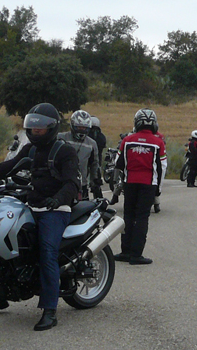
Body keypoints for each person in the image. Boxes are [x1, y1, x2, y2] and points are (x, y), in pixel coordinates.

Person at [0, 103, 80, 331]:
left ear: (51, 127)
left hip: (55, 210)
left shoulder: (65, 151)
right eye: (32, 127)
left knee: (47, 252)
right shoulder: (30, 150)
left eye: (40, 127)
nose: (35, 131)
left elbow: (72, 183)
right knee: (0, 243)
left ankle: (50, 310)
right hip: (31, 206)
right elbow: (8, 166)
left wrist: (57, 200)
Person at [113, 109, 166, 265]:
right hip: (148, 184)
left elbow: (118, 163)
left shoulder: (127, 140)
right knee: (142, 218)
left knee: (128, 216)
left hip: (130, 183)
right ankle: (136, 254)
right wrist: (158, 189)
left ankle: (125, 251)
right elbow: (162, 168)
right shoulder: (158, 143)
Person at [58, 110, 101, 200]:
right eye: (79, 127)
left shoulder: (92, 144)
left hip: (81, 185)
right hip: (61, 183)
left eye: (84, 128)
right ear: (72, 125)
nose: (81, 130)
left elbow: (94, 165)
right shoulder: (61, 138)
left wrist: (95, 183)